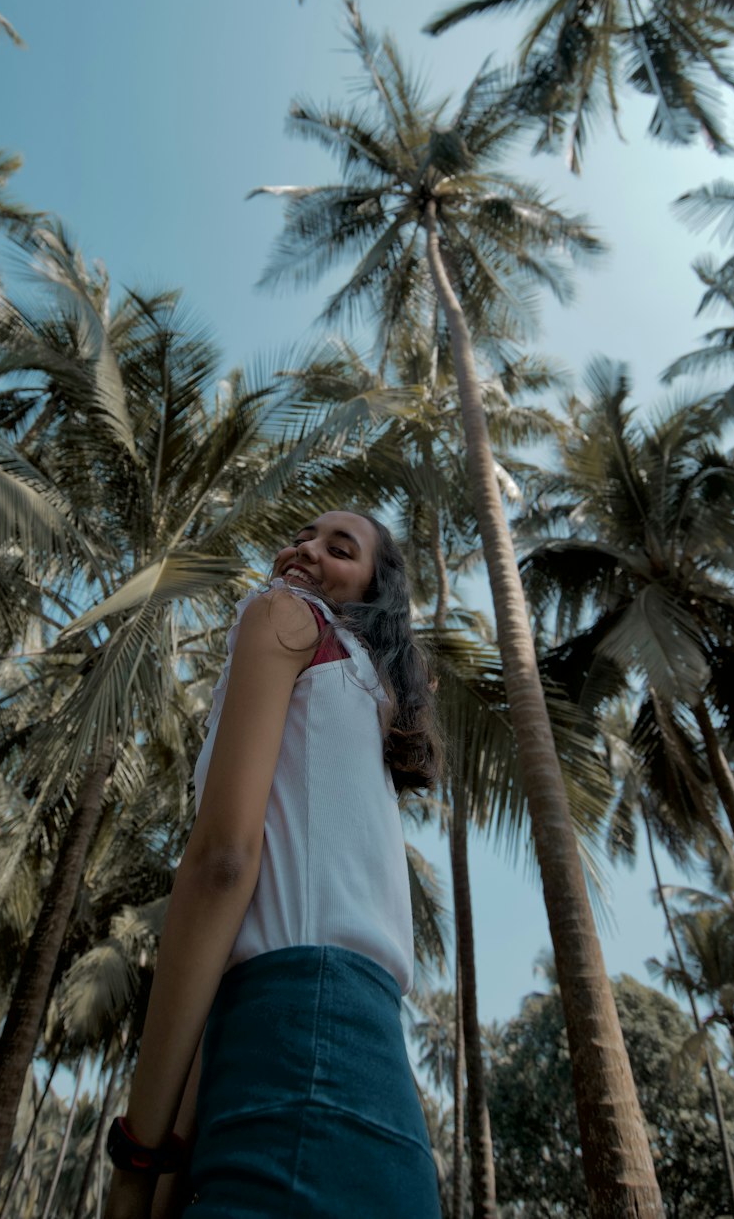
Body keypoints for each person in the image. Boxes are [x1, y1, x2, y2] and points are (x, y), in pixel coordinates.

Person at [103, 509, 445, 1219]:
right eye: (301, 537)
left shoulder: (284, 618)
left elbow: (223, 867)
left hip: (297, 1067)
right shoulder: (361, 696)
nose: (304, 551)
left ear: (373, 589)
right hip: (379, 1103)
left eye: (339, 548)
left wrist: (136, 1167)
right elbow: (240, 956)